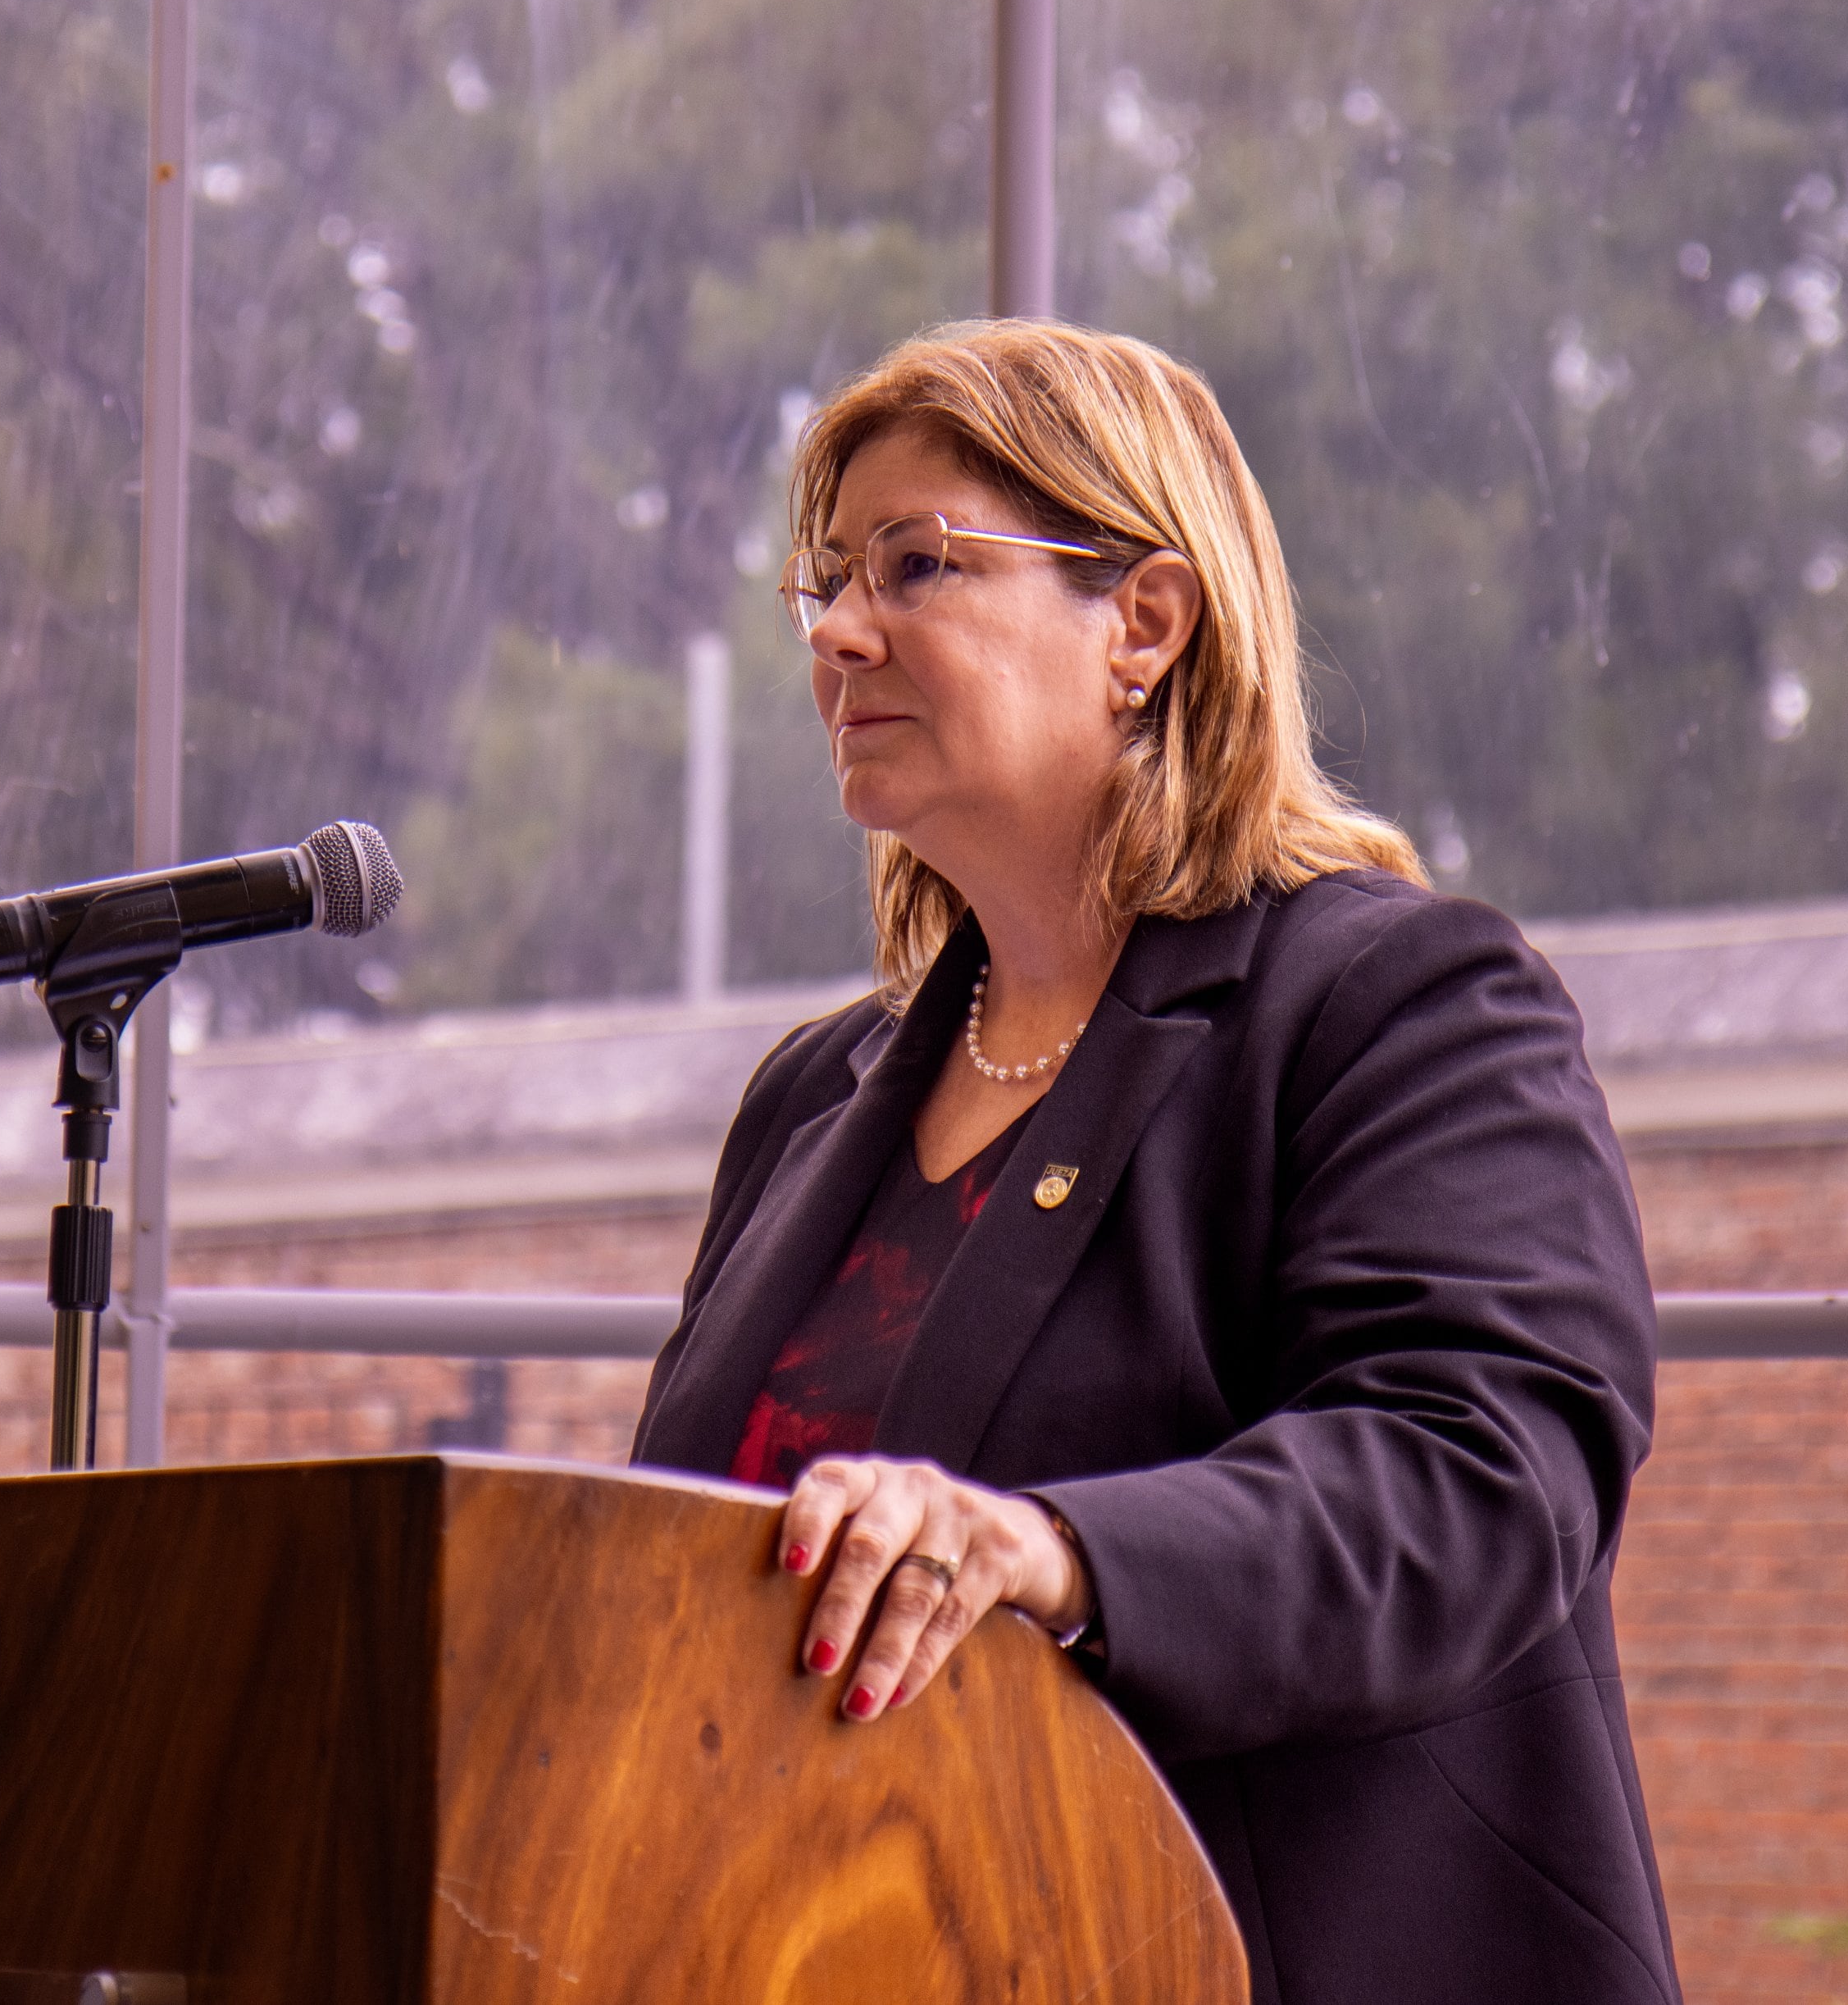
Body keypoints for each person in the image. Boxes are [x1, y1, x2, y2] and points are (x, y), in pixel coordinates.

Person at [631, 319, 1678, 2004]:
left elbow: (1482, 1471)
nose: (835, 631)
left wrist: (1051, 1551)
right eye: (821, 579)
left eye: (915, 563)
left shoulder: (1395, 1003)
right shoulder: (809, 1100)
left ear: (1142, 622)